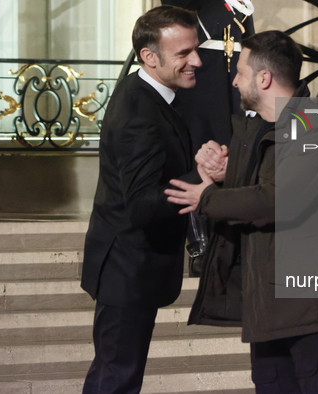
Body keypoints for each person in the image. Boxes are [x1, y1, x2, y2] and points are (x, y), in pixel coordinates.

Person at [165, 31, 318, 393]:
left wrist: (207, 197)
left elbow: (275, 199)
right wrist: (223, 176)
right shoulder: (259, 129)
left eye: (240, 71)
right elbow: (260, 186)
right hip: (267, 303)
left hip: (309, 309)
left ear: (264, 78)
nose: (234, 80)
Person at [80, 6, 201, 393]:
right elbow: (143, 205)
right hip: (127, 269)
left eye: (194, 49)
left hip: (134, 268)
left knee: (115, 374)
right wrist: (204, 178)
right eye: (184, 53)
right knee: (116, 378)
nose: (197, 60)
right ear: (149, 57)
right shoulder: (138, 109)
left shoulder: (155, 95)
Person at [161, 0, 255, 277]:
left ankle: (231, 242)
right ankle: (200, 245)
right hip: (201, 82)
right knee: (199, 157)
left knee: (233, 155)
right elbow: (178, 27)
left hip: (232, 82)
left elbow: (246, 41)